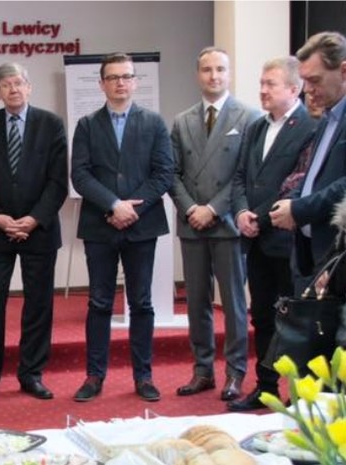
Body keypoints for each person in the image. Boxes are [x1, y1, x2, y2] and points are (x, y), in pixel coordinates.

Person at [70, 52, 173, 403]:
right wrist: (114, 205)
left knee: (141, 302)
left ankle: (143, 376)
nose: (120, 83)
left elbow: (164, 173)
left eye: (126, 76)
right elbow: (80, 174)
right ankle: (94, 375)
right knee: (99, 302)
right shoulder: (87, 125)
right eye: (113, 77)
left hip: (142, 226)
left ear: (135, 82)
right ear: (102, 84)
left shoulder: (154, 123)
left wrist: (131, 209)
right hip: (100, 225)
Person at [0, 62, 67, 403]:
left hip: (39, 230)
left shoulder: (51, 124)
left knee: (38, 304)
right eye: (5, 85)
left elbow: (58, 181)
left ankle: (31, 374)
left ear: (29, 87)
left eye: (18, 83)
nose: (13, 89)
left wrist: (34, 218)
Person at [170, 46, 260, 402]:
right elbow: (173, 173)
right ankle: (202, 370)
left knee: (234, 303)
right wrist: (192, 208)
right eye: (207, 69)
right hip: (192, 223)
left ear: (229, 73)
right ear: (198, 75)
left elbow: (245, 174)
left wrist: (214, 209)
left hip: (227, 224)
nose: (214, 76)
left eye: (220, 69)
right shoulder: (182, 120)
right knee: (196, 302)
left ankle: (235, 372)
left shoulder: (248, 117)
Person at [228, 57, 317, 412]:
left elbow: (297, 184)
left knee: (294, 321)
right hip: (256, 241)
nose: (262, 90)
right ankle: (265, 388)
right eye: (261, 83)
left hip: (288, 243)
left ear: (294, 89)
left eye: (271, 84)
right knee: (262, 316)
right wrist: (240, 212)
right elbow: (239, 177)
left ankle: (299, 393)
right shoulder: (255, 127)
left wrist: (260, 219)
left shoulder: (310, 127)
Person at [271, 31, 346, 293]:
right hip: (309, 255)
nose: (308, 90)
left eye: (315, 80)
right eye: (305, 81)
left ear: (343, 71)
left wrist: (300, 209)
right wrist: (292, 202)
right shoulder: (326, 119)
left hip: (337, 256)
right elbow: (312, 176)